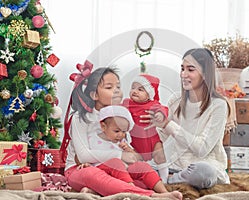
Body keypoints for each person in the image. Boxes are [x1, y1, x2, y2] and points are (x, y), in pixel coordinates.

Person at [60, 65, 182, 200]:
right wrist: (120, 155)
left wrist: (131, 155)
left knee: (142, 169)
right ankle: (151, 196)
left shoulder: (121, 116)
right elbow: (83, 156)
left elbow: (130, 151)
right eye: (109, 87)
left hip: (114, 168)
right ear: (94, 95)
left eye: (118, 86)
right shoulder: (81, 118)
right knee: (94, 176)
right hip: (80, 169)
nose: (117, 91)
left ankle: (160, 191)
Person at [143, 48, 230, 189]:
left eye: (190, 69)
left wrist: (168, 124)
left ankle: (169, 180)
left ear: (205, 74)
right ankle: (167, 177)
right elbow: (163, 138)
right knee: (137, 168)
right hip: (174, 164)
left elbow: (202, 149)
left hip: (201, 167)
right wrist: (151, 126)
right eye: (182, 69)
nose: (184, 74)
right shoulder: (175, 100)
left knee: (204, 173)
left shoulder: (218, 105)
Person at [122, 74, 169, 183]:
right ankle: (139, 177)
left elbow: (163, 108)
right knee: (133, 159)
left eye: (140, 89)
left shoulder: (153, 104)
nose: (135, 91)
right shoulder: (127, 103)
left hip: (153, 141)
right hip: (135, 144)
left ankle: (164, 179)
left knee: (160, 155)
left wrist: (160, 115)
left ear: (149, 94)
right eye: (133, 88)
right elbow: (118, 110)